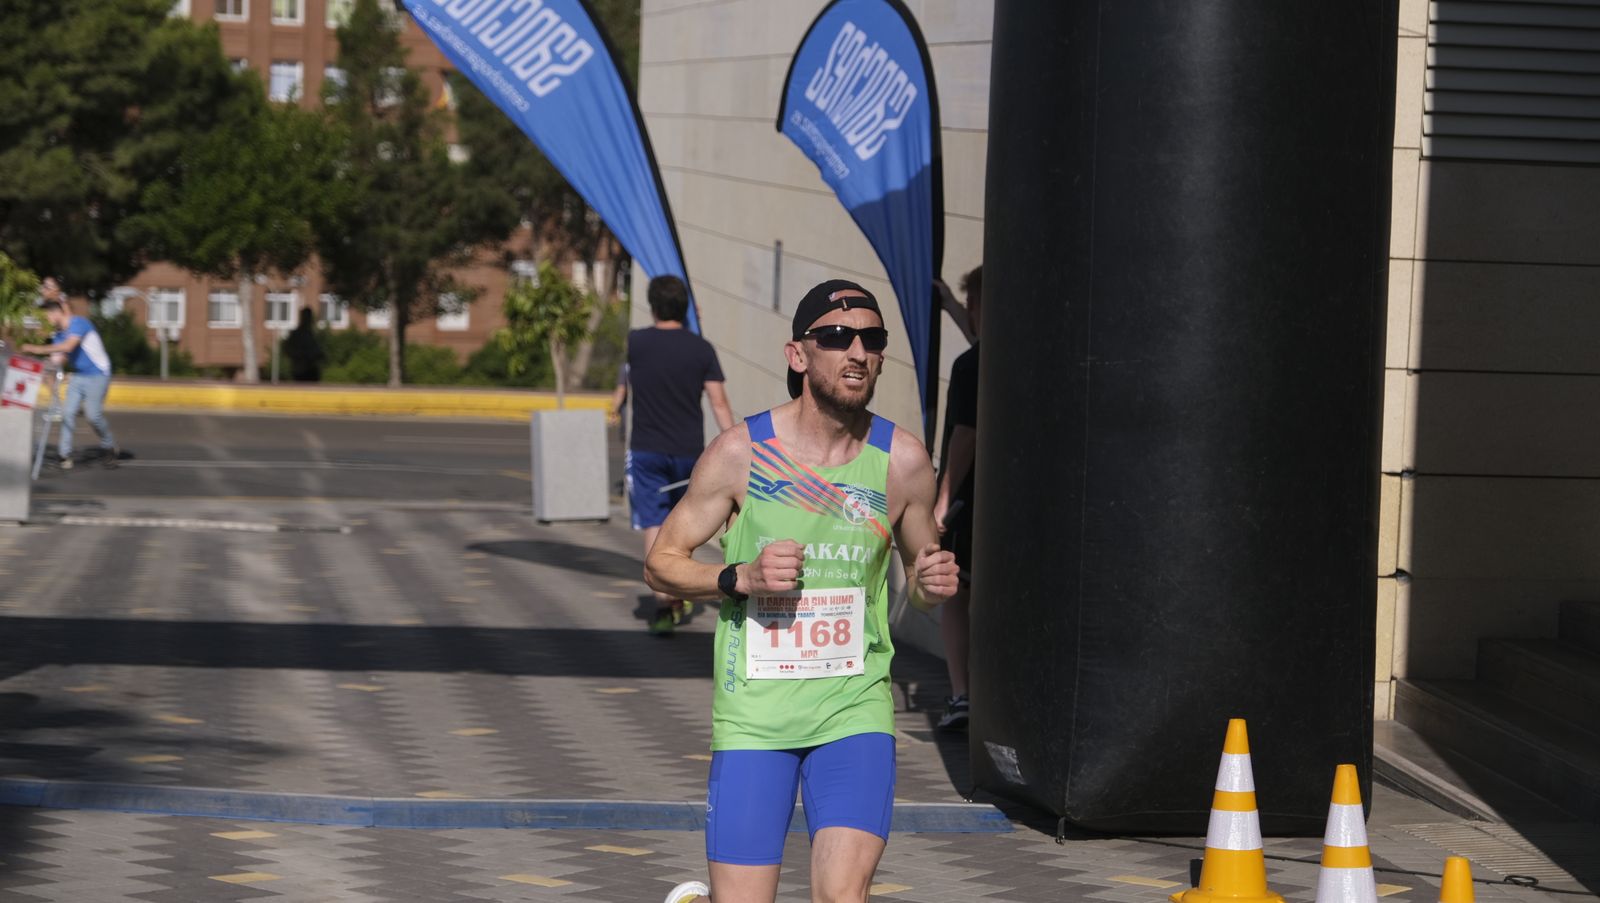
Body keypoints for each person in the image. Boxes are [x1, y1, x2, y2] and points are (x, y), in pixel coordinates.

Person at [645, 279, 959, 903]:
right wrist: (739, 577)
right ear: (799, 354)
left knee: (842, 896)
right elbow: (662, 564)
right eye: (837, 337)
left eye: (871, 340)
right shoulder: (741, 454)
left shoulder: (902, 461)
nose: (857, 352)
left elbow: (925, 587)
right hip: (756, 719)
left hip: (854, 709)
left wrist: (930, 586)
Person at [610, 274, 735, 635]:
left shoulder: (637, 342)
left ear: (652, 306)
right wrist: (736, 445)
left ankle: (664, 600)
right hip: (689, 454)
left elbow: (630, 381)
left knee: (654, 522)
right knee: (687, 526)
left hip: (647, 449)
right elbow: (719, 401)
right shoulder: (701, 349)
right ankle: (680, 588)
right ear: (686, 308)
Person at [932, 265, 981, 731]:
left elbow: (964, 437)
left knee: (956, 594)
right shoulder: (1021, 357)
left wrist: (943, 501)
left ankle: (962, 694)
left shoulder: (971, 366)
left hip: (970, 505)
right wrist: (948, 304)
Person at [22, 279, 119, 470]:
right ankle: (64, 454)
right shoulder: (58, 334)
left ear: (57, 312)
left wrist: (36, 348)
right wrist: (38, 365)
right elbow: (58, 358)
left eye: (47, 315)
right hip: (79, 376)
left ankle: (109, 446)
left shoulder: (78, 324)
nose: (46, 320)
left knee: (93, 415)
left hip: (98, 374)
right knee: (67, 413)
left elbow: (68, 346)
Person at [283, 307, 325, 382]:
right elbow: (288, 349)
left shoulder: (311, 334)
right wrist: (302, 355)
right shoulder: (297, 334)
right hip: (301, 369)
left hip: (311, 369)